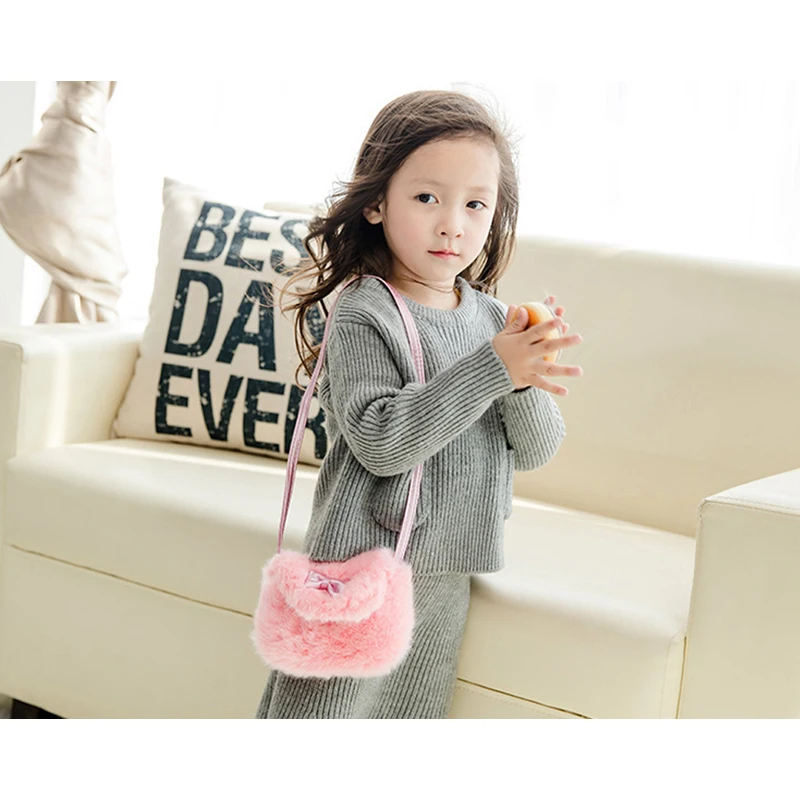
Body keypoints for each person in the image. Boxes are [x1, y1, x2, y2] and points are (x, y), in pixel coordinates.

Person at [254, 88, 583, 719]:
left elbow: (537, 449)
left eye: (475, 204)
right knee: (318, 716)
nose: (452, 223)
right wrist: (493, 368)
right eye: (428, 197)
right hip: (364, 561)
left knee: (409, 717)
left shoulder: (492, 319)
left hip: (451, 563)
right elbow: (381, 441)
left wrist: (521, 376)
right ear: (377, 202)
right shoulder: (365, 311)